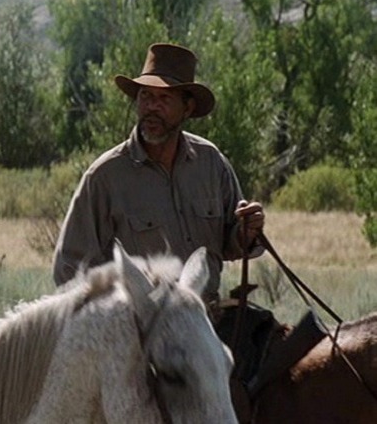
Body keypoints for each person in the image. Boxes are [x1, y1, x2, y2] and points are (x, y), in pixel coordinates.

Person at [52, 43, 264, 305]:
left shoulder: (211, 164)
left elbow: (232, 243)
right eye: (145, 97)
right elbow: (69, 270)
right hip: (143, 330)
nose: (152, 107)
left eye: (164, 99)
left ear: (187, 109)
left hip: (206, 319)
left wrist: (246, 233)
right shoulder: (105, 177)